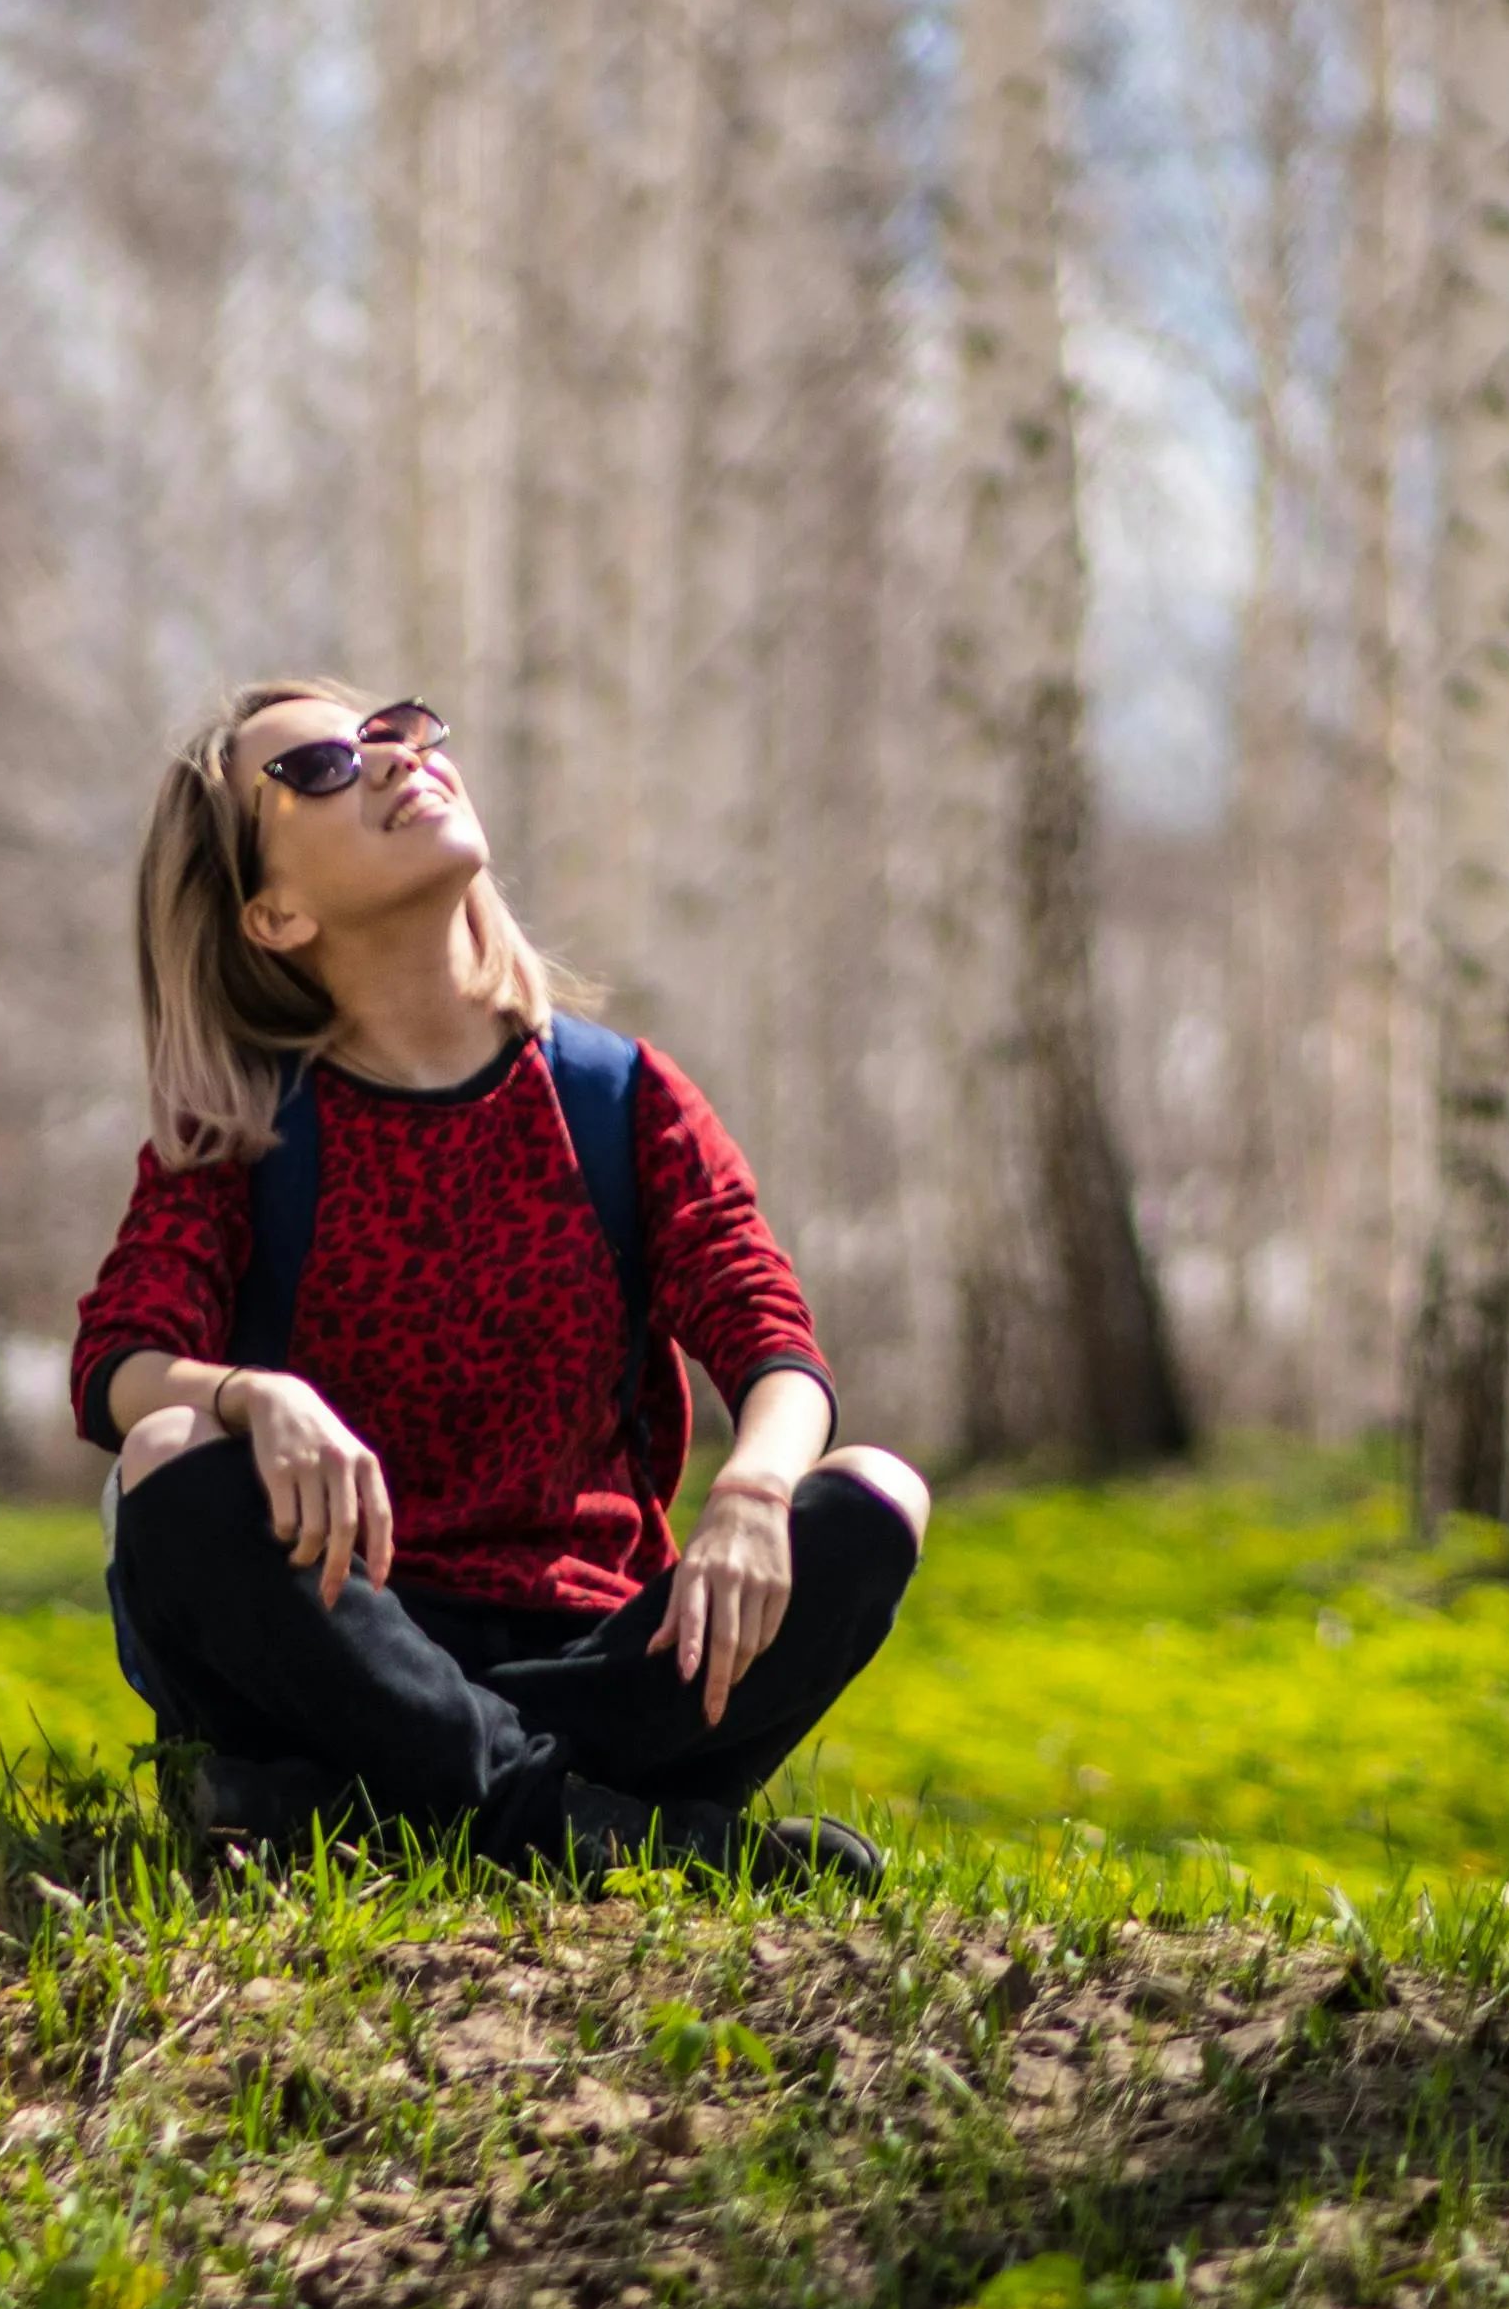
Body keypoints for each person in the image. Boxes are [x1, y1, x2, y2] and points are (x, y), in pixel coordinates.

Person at [67, 675, 928, 1879]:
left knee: (874, 1493)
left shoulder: (619, 1099)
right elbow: (116, 1363)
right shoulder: (244, 1125)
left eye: (395, 730)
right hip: (342, 1643)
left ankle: (375, 1807)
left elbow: (771, 1338)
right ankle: (598, 1830)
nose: (387, 760)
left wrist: (750, 1491)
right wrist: (251, 1394)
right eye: (316, 767)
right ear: (270, 915)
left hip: (602, 1656)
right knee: (168, 1455)